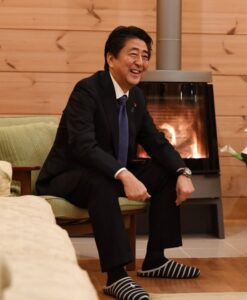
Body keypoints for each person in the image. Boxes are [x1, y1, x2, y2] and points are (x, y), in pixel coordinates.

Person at [36, 26, 200, 300]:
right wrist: (123, 174)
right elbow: (83, 145)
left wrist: (183, 171)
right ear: (110, 58)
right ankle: (116, 276)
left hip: (110, 171)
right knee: (104, 181)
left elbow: (155, 141)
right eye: (133, 54)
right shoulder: (87, 91)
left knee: (165, 174)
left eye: (145, 56)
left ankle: (156, 260)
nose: (140, 62)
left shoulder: (135, 96)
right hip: (69, 175)